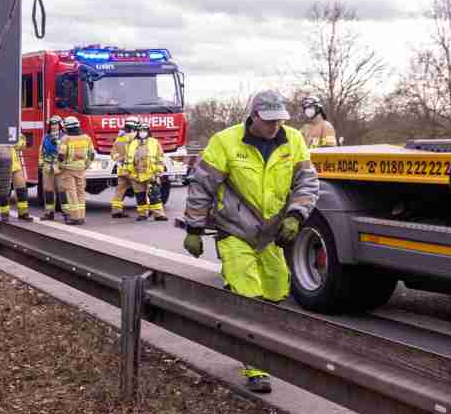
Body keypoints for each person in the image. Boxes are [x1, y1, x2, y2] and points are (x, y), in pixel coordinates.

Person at [182, 89, 320, 393]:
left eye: (279, 120)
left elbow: (307, 182)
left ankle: (256, 344)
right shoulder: (225, 142)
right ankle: (255, 364)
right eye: (269, 121)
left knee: (276, 289)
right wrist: (193, 228)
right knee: (248, 295)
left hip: (270, 234)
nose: (275, 127)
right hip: (235, 232)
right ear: (254, 116)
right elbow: (202, 186)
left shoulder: (293, 141)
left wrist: (296, 215)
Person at [57, 115, 94, 226]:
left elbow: (61, 156)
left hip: (68, 170)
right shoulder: (86, 138)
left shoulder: (65, 139)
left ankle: (74, 217)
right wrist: (86, 165)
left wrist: (60, 166)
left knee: (71, 193)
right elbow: (91, 154)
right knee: (80, 193)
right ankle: (81, 216)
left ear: (67, 127)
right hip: (81, 169)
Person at [127, 122, 169, 221]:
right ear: (138, 132)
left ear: (148, 131)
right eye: (141, 130)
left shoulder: (154, 142)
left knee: (155, 194)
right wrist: (128, 172)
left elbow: (160, 158)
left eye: (144, 130)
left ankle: (158, 214)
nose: (142, 132)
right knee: (140, 196)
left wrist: (158, 171)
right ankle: (142, 214)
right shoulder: (133, 143)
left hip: (151, 174)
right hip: (136, 174)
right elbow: (128, 159)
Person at [0, 131, 32, 221]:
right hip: (3, 164)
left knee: (22, 189)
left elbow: (22, 145)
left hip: (15, 165)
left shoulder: (13, 129)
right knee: (4, 191)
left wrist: (18, 139)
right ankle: (4, 214)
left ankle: (23, 213)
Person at [110, 119, 138, 218]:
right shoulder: (134, 137)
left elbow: (113, 154)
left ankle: (116, 211)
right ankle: (145, 211)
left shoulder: (119, 138)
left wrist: (120, 160)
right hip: (133, 169)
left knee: (120, 190)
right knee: (141, 189)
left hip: (122, 169)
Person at [39, 116, 64, 220]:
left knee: (63, 190)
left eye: (56, 124)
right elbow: (41, 151)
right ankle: (49, 212)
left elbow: (65, 151)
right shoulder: (45, 137)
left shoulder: (64, 137)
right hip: (48, 166)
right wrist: (41, 163)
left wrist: (57, 143)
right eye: (52, 125)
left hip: (59, 167)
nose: (54, 127)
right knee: (48, 190)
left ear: (60, 126)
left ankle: (66, 214)